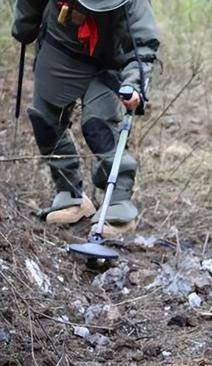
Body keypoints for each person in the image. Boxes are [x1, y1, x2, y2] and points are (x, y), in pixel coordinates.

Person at [11, 0, 160, 236]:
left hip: (107, 62)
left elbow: (143, 46)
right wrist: (23, 28)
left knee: (98, 128)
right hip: (59, 51)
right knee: (45, 122)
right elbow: (29, 9)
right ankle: (70, 195)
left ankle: (119, 205)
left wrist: (134, 84)